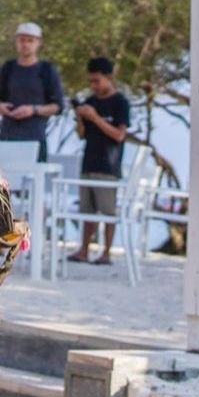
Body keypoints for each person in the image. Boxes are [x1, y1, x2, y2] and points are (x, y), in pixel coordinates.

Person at [67, 57, 130, 265]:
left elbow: (119, 135)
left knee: (108, 211)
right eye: (90, 81)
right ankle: (84, 249)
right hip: (88, 163)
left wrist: (95, 118)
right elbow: (82, 134)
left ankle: (106, 252)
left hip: (108, 167)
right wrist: (80, 118)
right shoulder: (90, 101)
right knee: (87, 210)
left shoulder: (120, 102)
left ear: (108, 78)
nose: (93, 86)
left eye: (97, 81)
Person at [0, 22, 64, 162]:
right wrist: (0, 107)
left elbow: (57, 106)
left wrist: (33, 110)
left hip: (35, 138)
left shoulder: (46, 70)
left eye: (30, 40)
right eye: (22, 40)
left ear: (39, 43)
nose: (25, 44)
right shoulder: (8, 68)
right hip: (8, 136)